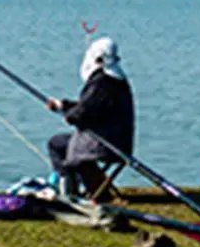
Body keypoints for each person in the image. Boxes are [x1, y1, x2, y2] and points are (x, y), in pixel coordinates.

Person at [46, 36, 134, 199]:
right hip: (118, 141)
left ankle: (69, 189)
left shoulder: (102, 82)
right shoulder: (116, 80)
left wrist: (71, 117)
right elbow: (90, 107)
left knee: (58, 144)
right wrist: (63, 106)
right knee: (63, 143)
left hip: (105, 144)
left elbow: (85, 112)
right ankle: (91, 188)